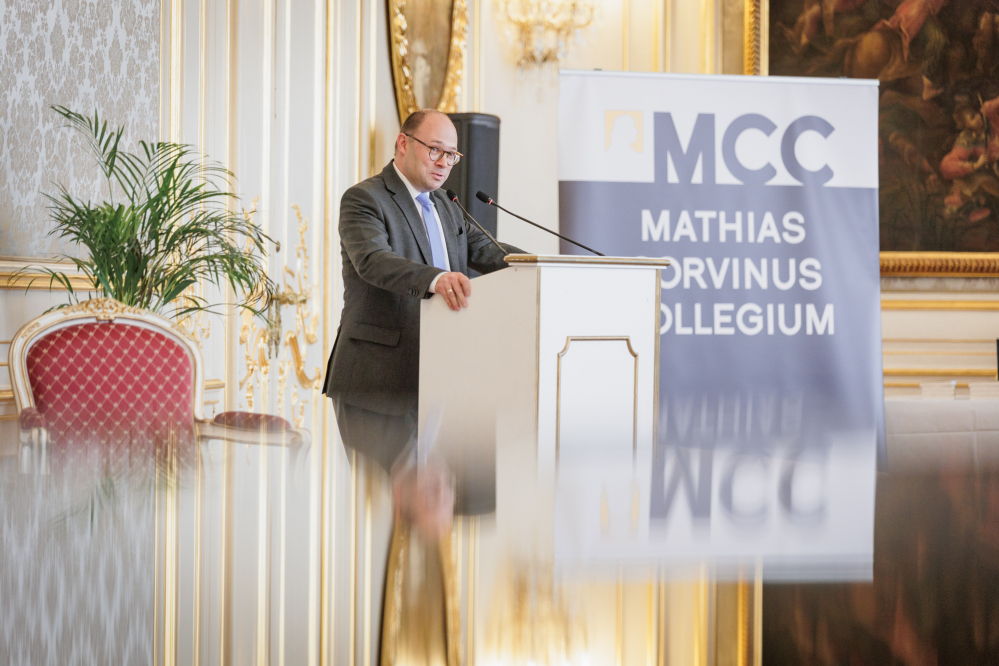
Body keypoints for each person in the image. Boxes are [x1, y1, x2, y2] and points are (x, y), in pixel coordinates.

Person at [322, 108, 522, 472]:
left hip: (441, 380)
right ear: (403, 143)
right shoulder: (365, 199)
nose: (444, 163)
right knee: (380, 498)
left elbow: (490, 251)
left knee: (432, 497)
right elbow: (373, 260)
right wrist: (436, 279)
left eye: (452, 155)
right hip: (378, 384)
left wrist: (542, 265)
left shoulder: (447, 205)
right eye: (435, 150)